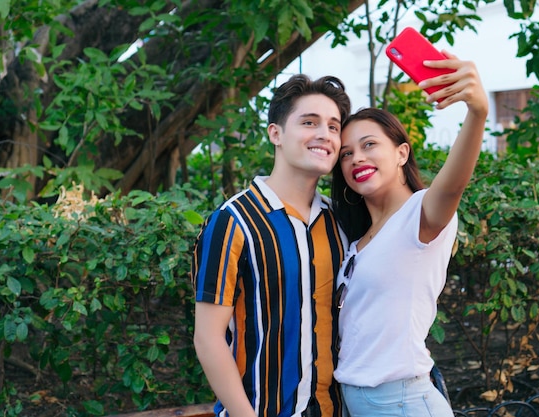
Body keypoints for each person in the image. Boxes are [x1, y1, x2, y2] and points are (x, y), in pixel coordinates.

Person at [331, 52, 488, 416]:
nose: (356, 158)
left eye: (369, 145)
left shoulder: (421, 215)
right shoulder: (357, 242)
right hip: (359, 401)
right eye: (346, 153)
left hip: (402, 402)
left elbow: (452, 186)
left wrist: (477, 112)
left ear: (401, 152)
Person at [191, 74, 351, 417]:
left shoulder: (340, 225)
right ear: (275, 133)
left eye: (334, 127)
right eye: (309, 122)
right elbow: (207, 338)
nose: (324, 134)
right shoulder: (233, 221)